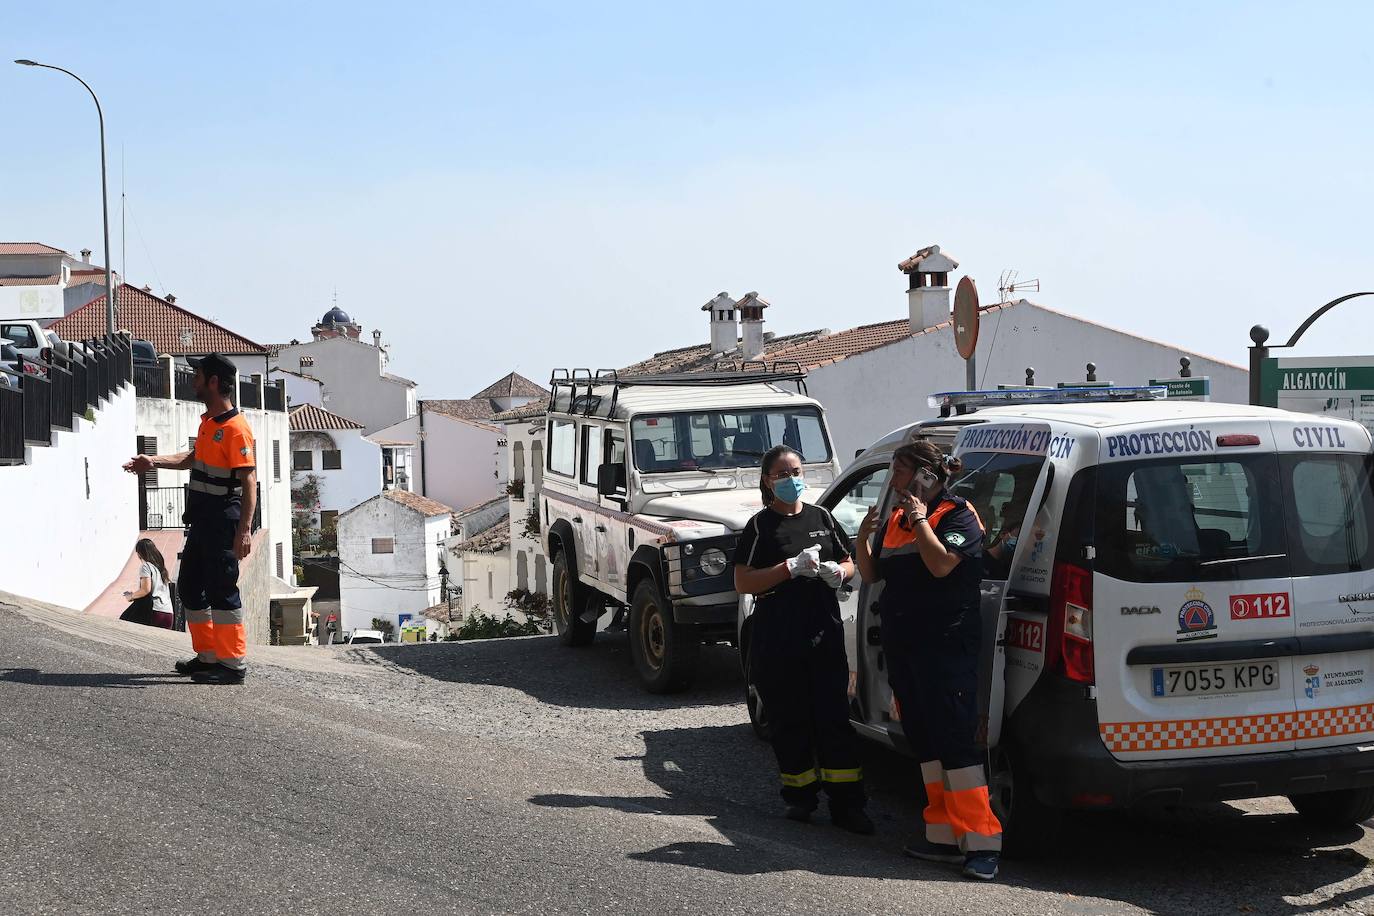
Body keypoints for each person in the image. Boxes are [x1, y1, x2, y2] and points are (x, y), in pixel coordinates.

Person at [854, 440, 1002, 880]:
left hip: (946, 646)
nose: (893, 482)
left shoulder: (958, 514)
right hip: (906, 646)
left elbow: (941, 565)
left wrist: (921, 520)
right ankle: (942, 835)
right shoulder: (897, 519)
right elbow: (871, 573)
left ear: (925, 476)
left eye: (899, 473)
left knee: (956, 741)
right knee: (925, 740)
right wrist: (863, 537)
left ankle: (981, 842)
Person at [733, 445, 873, 835]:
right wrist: (788, 569)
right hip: (778, 633)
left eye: (795, 471)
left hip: (822, 629)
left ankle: (848, 805)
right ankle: (800, 797)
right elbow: (743, 581)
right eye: (781, 474)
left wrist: (837, 572)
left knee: (833, 717)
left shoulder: (823, 518)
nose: (792, 479)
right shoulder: (760, 527)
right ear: (767, 481)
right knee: (788, 718)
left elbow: (850, 560)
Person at [123, 353, 257, 685]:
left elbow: (249, 483)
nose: (192, 378)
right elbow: (191, 459)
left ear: (213, 381)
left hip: (223, 522)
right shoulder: (208, 423)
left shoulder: (237, 429)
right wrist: (151, 462)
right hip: (202, 521)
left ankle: (232, 665)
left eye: (197, 374)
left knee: (221, 591)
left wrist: (243, 532)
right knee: (190, 587)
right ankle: (208, 657)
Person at [120, 538, 175, 629]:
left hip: (154, 612)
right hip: (168, 613)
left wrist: (131, 596)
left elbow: (146, 589)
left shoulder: (146, 566)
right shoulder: (161, 568)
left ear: (139, 553)